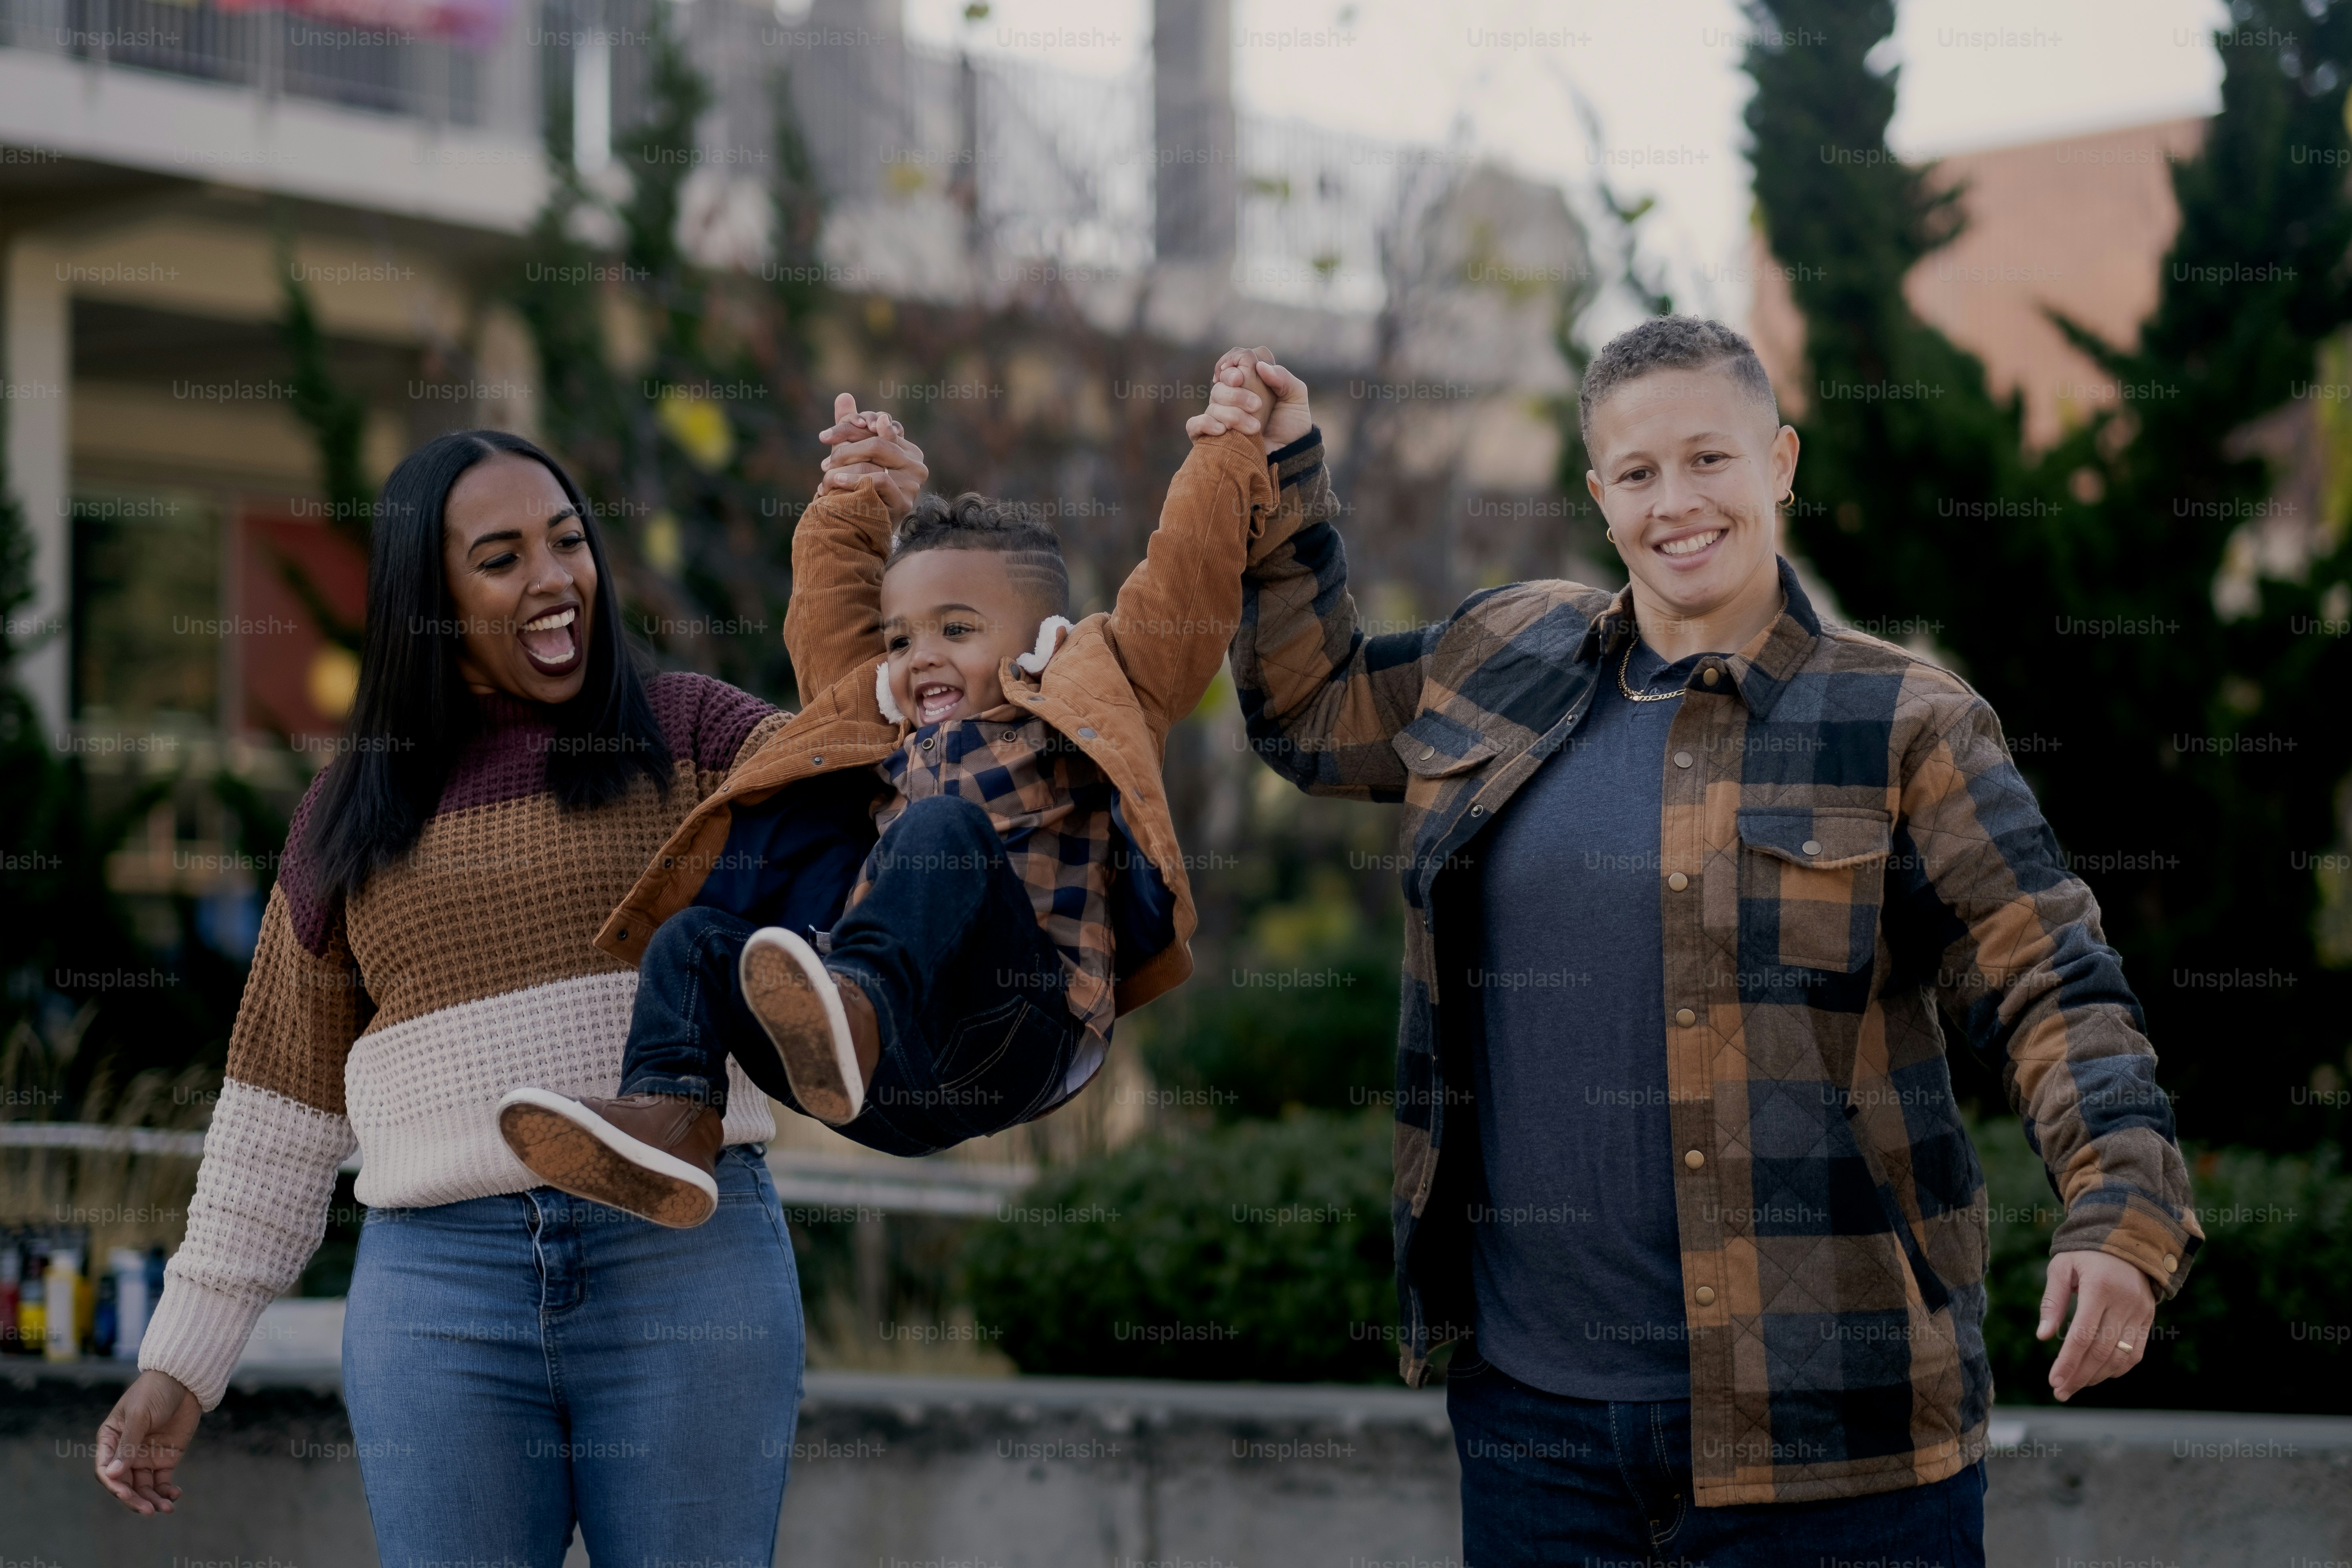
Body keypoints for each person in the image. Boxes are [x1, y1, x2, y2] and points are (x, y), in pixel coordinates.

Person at [1196, 320, 2202, 1567]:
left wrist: (2118, 1208)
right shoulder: (1503, 653)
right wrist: (1286, 464)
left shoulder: (1905, 719)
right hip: (1535, 1438)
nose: (1676, 503)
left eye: (1708, 459)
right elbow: (1311, 706)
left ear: (1778, 462)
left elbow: (2046, 975)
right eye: (1637, 472)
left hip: (1837, 1448)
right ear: (1597, 494)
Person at [92, 431, 806, 1562]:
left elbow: (861, 794)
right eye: (502, 556)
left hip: (681, 1262)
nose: (554, 577)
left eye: (568, 541)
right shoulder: (344, 816)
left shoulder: (689, 731)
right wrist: (182, 1360)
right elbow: (277, 1113)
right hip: (442, 1292)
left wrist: (877, 547)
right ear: (428, 597)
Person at [497, 367, 1316, 1220]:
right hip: (886, 1082)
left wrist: (1229, 449)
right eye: (901, 636)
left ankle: (854, 1004)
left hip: (1017, 1029)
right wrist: (855, 500)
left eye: (956, 629)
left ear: (1041, 638)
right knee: (696, 938)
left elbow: (1184, 581)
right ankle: (672, 1119)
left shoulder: (1096, 686)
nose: (920, 654)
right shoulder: (877, 717)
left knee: (943, 828)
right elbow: (826, 615)